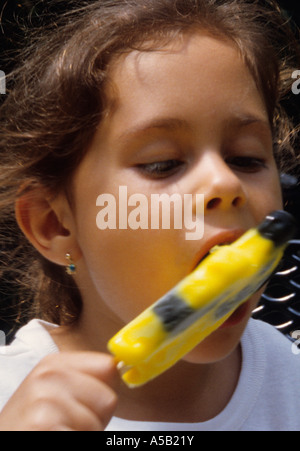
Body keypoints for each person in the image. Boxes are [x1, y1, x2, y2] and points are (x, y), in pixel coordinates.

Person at [0, 0, 299, 431]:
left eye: (246, 159)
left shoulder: (290, 382)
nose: (225, 184)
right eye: (163, 164)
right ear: (56, 225)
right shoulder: (14, 401)